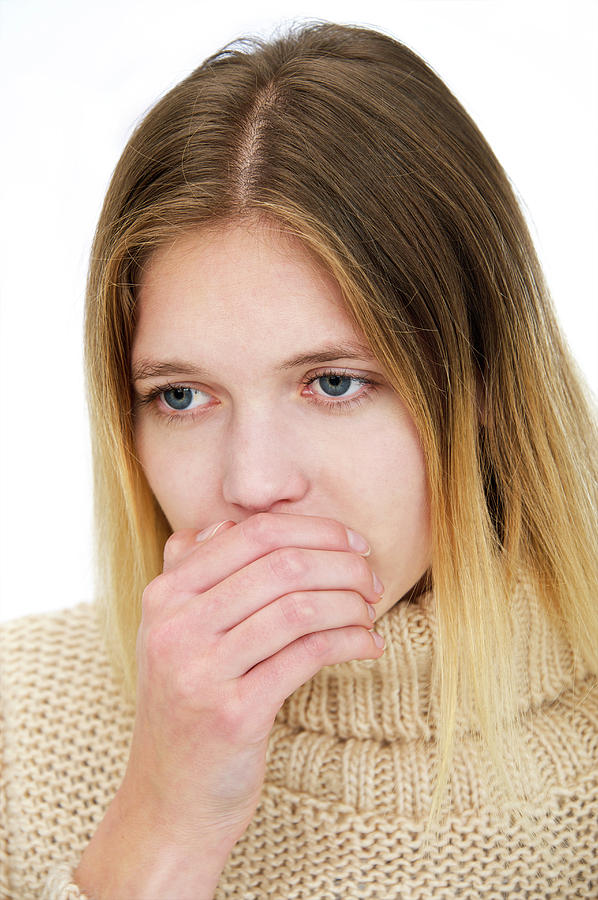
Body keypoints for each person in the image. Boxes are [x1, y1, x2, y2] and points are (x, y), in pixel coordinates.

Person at [1, 19, 596, 900]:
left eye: (334, 383)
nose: (253, 484)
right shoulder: (21, 723)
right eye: (180, 396)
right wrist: (163, 824)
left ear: (482, 391)